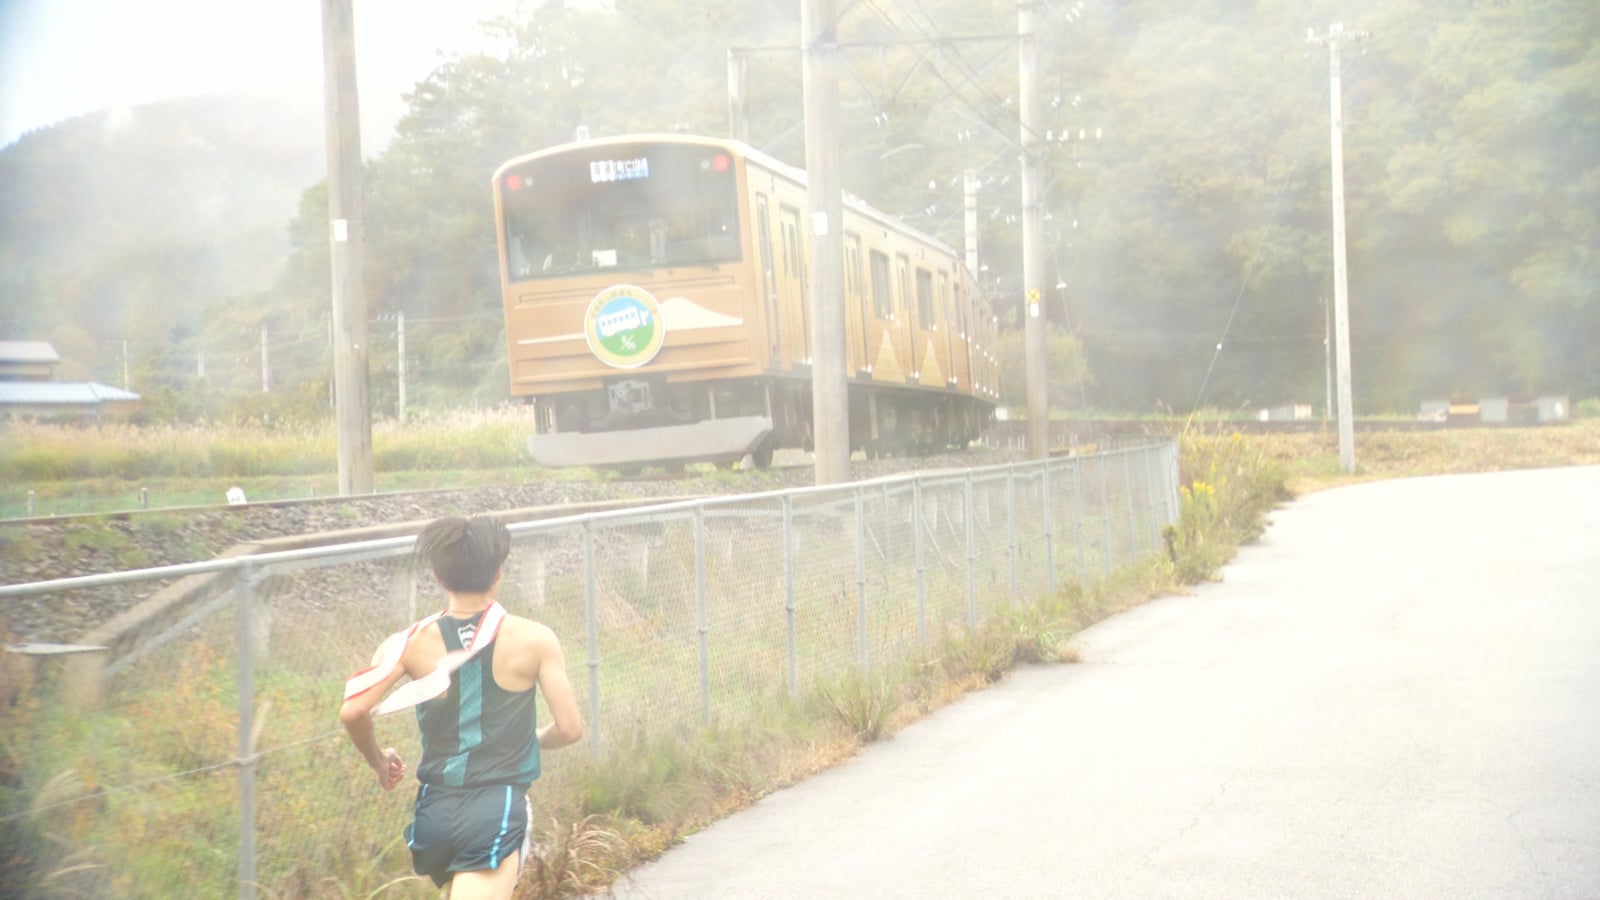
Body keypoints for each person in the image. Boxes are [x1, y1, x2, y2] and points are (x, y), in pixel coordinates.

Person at [340, 515, 584, 899]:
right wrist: (532, 738)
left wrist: (378, 759)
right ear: (498, 573)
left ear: (437, 577)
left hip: (434, 811)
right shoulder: (535, 639)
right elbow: (570, 729)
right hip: (495, 808)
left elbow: (353, 711)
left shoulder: (406, 643)